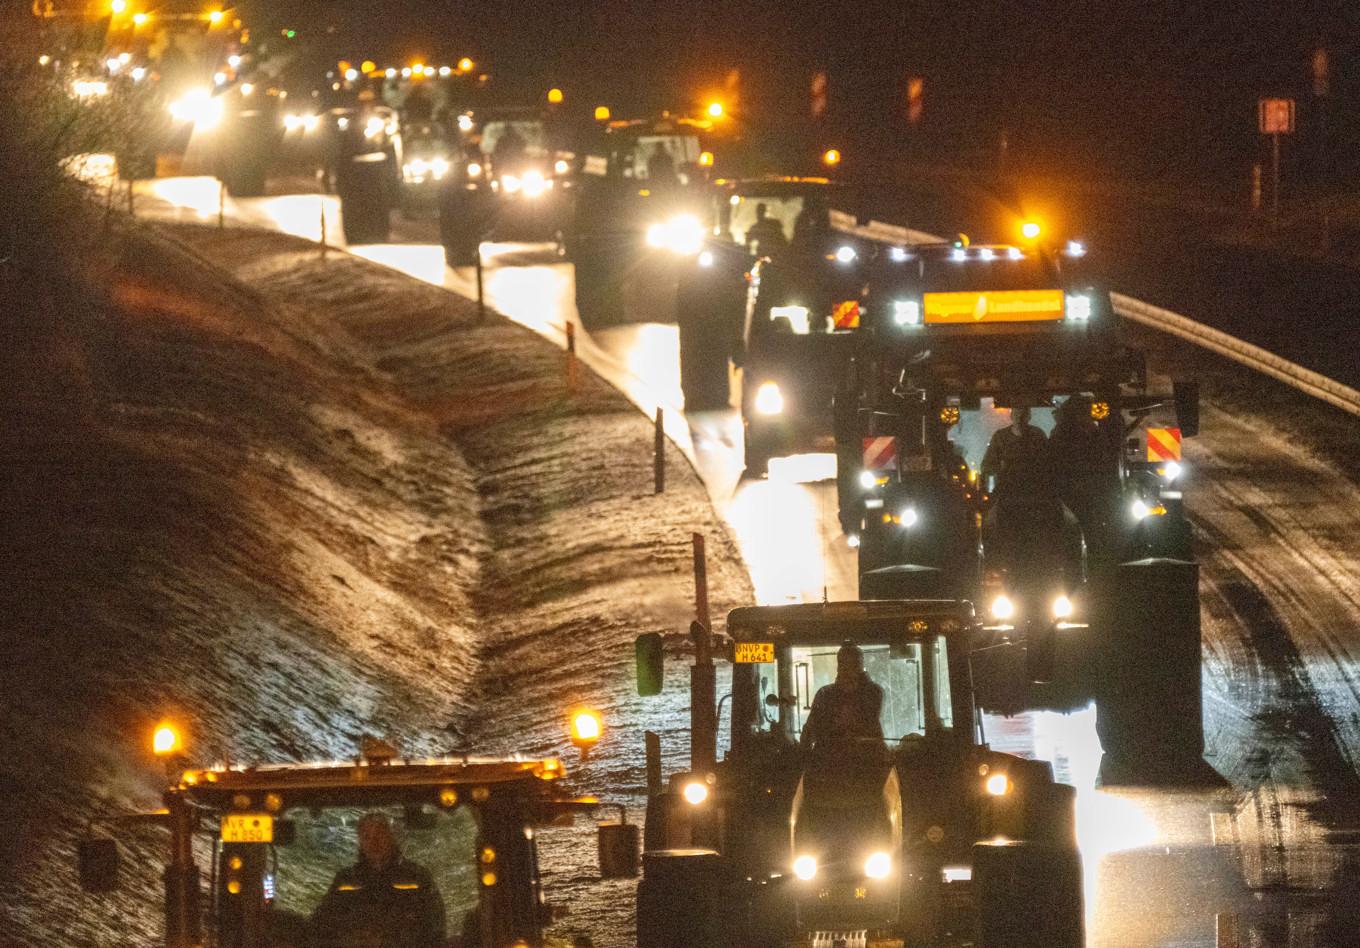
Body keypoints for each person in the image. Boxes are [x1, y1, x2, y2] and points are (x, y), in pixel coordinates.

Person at [311, 813, 445, 948]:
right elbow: (322, 925)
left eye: (379, 834)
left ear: (391, 838)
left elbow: (435, 928)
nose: (373, 842)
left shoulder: (417, 878)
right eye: (367, 837)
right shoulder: (345, 880)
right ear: (360, 842)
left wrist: (389, 940)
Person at [800, 643, 884, 759]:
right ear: (838, 667)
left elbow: (870, 722)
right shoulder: (825, 694)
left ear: (861, 667)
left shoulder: (872, 692)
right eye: (844, 664)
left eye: (854, 665)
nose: (848, 670)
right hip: (829, 762)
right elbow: (809, 732)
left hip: (865, 761)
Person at [980, 405, 1049, 498]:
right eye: (1016, 414)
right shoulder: (1000, 437)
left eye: (1023, 415)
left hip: (1034, 490)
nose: (1019, 418)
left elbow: (1048, 461)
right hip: (1007, 490)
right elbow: (988, 465)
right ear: (1011, 416)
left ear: (1028, 416)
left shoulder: (1038, 435)